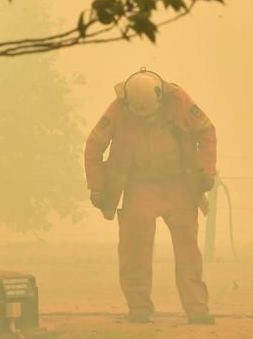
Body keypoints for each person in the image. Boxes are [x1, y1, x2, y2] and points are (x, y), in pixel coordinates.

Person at [83, 68, 218, 325]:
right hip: (139, 186)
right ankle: (138, 308)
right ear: (127, 103)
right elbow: (94, 145)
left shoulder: (179, 100)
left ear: (160, 97)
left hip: (179, 184)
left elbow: (207, 132)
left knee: (188, 250)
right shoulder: (119, 108)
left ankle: (197, 309)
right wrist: (97, 186)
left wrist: (206, 169)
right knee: (134, 249)